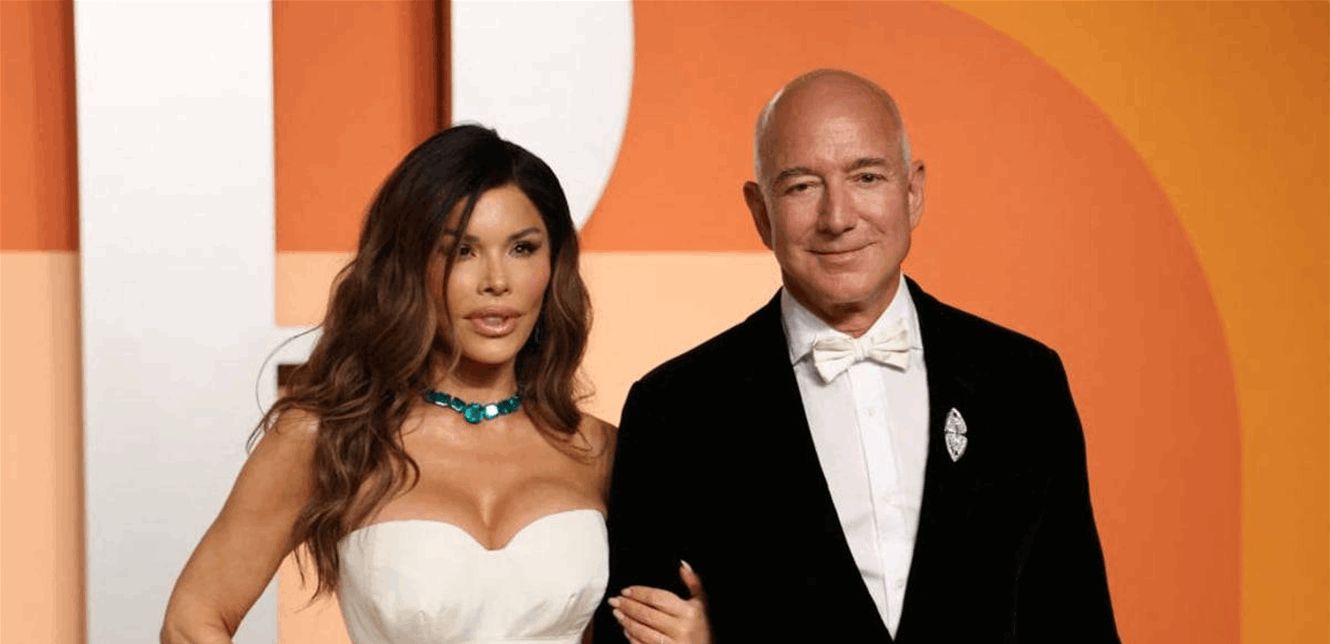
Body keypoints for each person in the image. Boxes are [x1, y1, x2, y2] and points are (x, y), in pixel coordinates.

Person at [597, 70, 1119, 643]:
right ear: (760, 212)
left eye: (867, 177)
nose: (838, 218)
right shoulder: (675, 409)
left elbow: (1077, 621)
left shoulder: (1023, 382)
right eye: (802, 186)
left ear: (912, 192)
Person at [161, 125, 707, 643]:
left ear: (554, 263)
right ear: (409, 265)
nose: (496, 281)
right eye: (461, 251)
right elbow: (192, 620)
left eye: (522, 248)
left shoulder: (599, 450)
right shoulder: (331, 438)